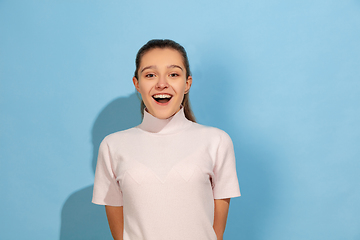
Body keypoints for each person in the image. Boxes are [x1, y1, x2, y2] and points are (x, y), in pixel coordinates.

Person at [92, 39, 240, 240]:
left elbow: (216, 233)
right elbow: (120, 235)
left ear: (187, 83)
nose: (162, 83)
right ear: (137, 84)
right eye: (150, 75)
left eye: (173, 74)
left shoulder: (217, 141)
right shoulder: (112, 146)